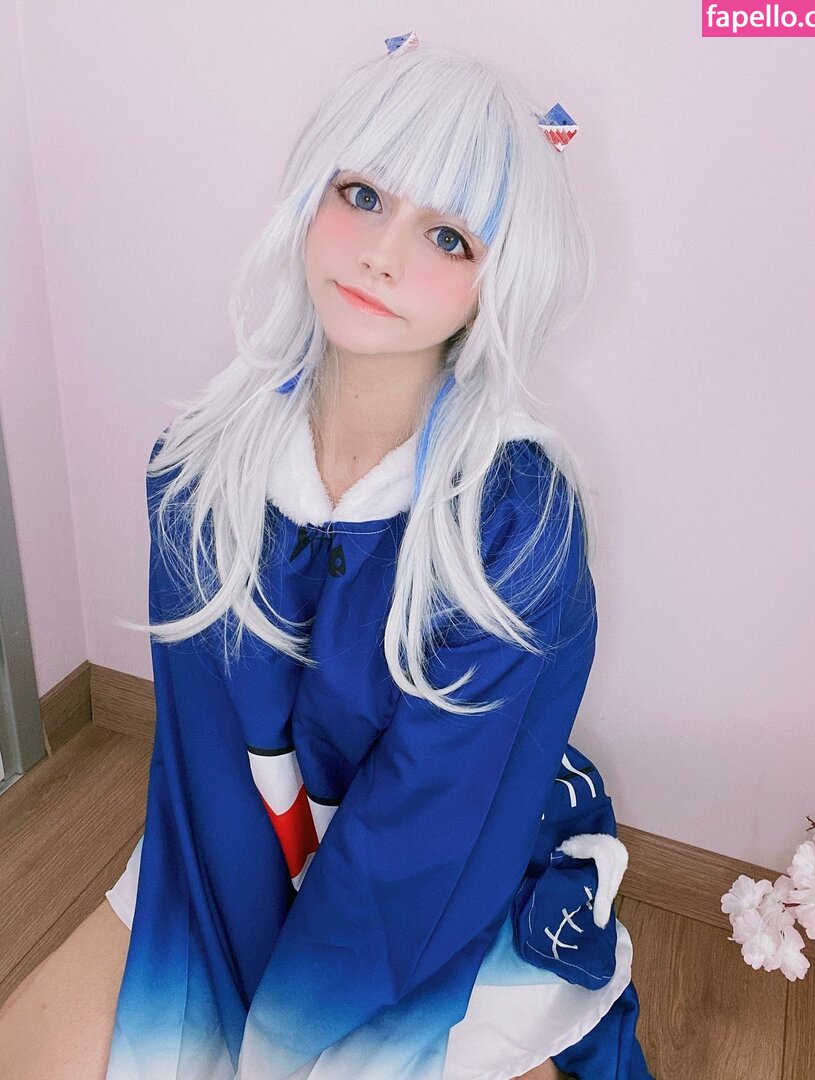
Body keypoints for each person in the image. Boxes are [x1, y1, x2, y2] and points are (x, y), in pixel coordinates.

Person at [4, 35, 655, 1080]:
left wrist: (284, 1042)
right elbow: (206, 767)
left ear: (498, 282)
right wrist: (232, 983)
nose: (382, 255)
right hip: (246, 849)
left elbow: (429, 838)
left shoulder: (515, 525)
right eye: (363, 195)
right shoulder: (200, 469)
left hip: (454, 867)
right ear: (312, 198)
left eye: (448, 236)